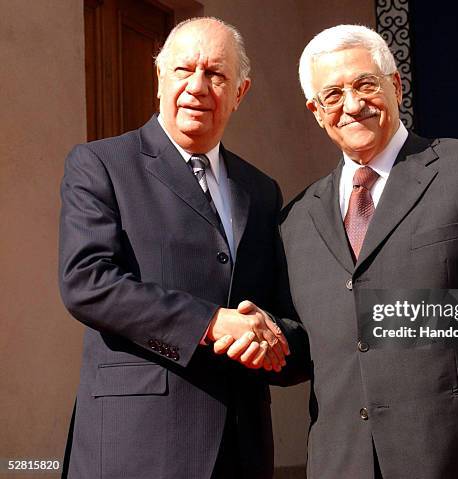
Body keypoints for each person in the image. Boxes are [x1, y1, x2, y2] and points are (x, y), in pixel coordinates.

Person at [278, 25, 458, 478]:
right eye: (332, 95)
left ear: (396, 85)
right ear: (315, 111)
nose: (352, 104)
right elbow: (314, 341)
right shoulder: (296, 219)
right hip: (341, 462)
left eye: (366, 84)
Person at [59, 17, 290, 479]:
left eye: (216, 74)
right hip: (139, 441)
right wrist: (209, 323)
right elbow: (87, 281)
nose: (198, 86)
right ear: (160, 79)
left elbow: (276, 305)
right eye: (184, 70)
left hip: (240, 443)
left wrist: (273, 334)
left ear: (240, 93)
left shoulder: (261, 191)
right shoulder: (101, 164)